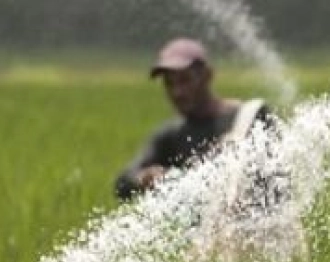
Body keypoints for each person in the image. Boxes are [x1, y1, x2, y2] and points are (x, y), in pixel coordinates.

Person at [113, 38, 277, 201]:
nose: (177, 92)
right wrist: (145, 178)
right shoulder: (172, 136)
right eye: (169, 83)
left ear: (207, 76)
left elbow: (278, 183)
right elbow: (123, 183)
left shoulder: (250, 117)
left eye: (185, 80)